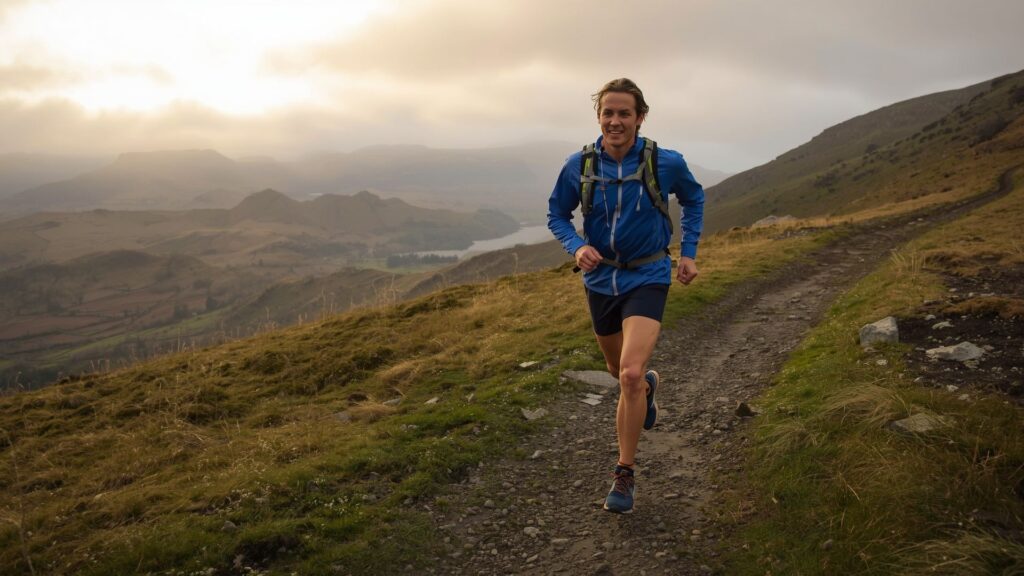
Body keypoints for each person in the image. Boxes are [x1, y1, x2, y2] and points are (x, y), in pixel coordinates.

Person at [547, 78, 704, 514]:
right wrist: (576, 246)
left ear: (640, 117)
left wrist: (688, 253)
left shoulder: (665, 162)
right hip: (600, 283)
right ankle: (647, 390)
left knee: (630, 374)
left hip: (649, 275)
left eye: (624, 113)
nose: (615, 121)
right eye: (608, 113)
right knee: (620, 373)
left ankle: (624, 474)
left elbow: (693, 198)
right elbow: (556, 214)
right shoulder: (577, 165)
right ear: (599, 116)